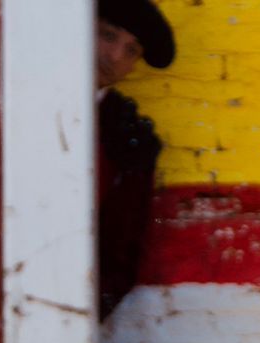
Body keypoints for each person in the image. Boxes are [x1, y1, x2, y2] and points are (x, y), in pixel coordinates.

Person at [94, 0, 174, 320]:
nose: (114, 57)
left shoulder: (128, 136)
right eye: (108, 36)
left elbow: (122, 250)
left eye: (131, 51)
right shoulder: (15, 94)